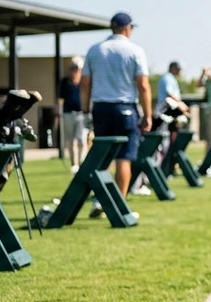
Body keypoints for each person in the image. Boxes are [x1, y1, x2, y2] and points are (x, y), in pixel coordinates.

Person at [80, 12, 151, 211]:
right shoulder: (135, 50)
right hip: (125, 107)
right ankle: (119, 203)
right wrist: (147, 114)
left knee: (102, 156)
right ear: (127, 28)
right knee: (124, 157)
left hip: (101, 107)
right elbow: (143, 85)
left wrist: (86, 110)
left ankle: (99, 199)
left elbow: (85, 83)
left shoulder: (95, 50)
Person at [56, 59, 88, 173]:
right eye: (73, 68)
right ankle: (74, 164)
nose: (74, 71)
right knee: (71, 140)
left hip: (81, 114)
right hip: (68, 113)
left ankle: (82, 161)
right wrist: (58, 114)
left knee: (82, 139)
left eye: (77, 68)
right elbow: (60, 99)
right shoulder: (65, 82)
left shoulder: (84, 81)